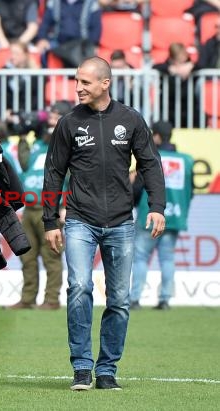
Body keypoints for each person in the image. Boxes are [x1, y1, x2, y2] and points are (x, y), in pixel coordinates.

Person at [42, 57, 166, 391]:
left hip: (122, 223)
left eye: (84, 82)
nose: (78, 87)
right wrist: (50, 220)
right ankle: (82, 367)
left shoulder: (131, 120)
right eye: (76, 81)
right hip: (80, 220)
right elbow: (53, 172)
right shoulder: (68, 123)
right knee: (79, 287)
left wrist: (157, 206)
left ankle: (107, 369)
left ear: (105, 84)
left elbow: (150, 165)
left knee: (119, 300)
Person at [7, 101, 72, 311]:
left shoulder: (68, 144)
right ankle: (27, 298)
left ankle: (51, 299)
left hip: (51, 210)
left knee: (51, 257)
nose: (49, 119)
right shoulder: (40, 143)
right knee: (27, 257)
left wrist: (66, 205)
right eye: (50, 115)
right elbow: (25, 164)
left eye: (55, 116)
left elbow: (72, 177)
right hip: (30, 208)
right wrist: (24, 136)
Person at [130, 121, 194, 311]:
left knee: (141, 257)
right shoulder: (187, 160)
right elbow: (191, 191)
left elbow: (138, 187)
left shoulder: (150, 156)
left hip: (149, 215)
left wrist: (132, 201)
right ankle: (165, 299)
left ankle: (135, 299)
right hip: (175, 215)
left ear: (156, 136)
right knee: (167, 258)